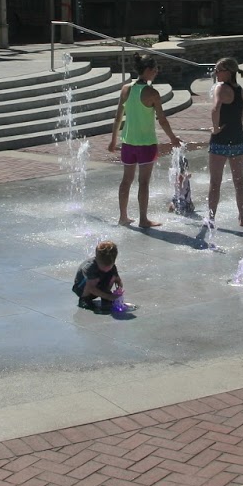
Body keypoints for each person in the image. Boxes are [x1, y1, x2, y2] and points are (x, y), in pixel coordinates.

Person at [108, 54, 183, 227]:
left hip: (128, 142)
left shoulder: (126, 89)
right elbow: (162, 120)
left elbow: (118, 117)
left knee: (126, 180)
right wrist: (172, 138)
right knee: (144, 182)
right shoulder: (152, 93)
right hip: (146, 144)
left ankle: (123, 217)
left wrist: (113, 140)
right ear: (148, 70)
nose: (157, 72)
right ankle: (143, 219)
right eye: (155, 69)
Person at [207, 57, 243, 226]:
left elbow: (215, 108)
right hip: (238, 138)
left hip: (220, 140)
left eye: (218, 70)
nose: (215, 73)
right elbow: (242, 113)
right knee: (239, 179)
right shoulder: (240, 90)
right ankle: (242, 217)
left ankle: (211, 218)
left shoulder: (220, 88)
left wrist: (215, 127)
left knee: (215, 181)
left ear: (228, 72)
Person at [73, 240, 130, 312]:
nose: (105, 269)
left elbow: (118, 280)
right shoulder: (90, 267)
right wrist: (109, 297)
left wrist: (119, 287)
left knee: (112, 275)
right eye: (103, 266)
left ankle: (105, 296)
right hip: (81, 288)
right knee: (93, 280)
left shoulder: (112, 267)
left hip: (98, 287)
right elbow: (91, 288)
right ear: (97, 259)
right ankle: (84, 299)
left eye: (109, 266)